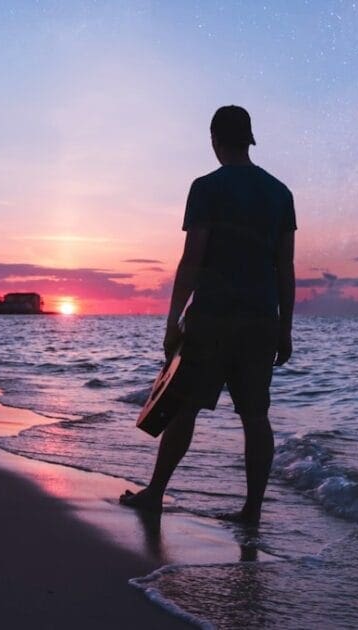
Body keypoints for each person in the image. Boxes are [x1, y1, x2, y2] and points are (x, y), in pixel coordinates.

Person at [120, 105, 296, 525]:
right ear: (249, 140)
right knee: (256, 416)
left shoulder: (206, 188)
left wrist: (172, 321)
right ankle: (252, 510)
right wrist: (285, 328)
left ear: (215, 141)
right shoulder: (280, 193)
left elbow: (192, 259)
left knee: (185, 408)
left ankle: (155, 494)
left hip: (212, 317)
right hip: (261, 319)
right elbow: (285, 268)